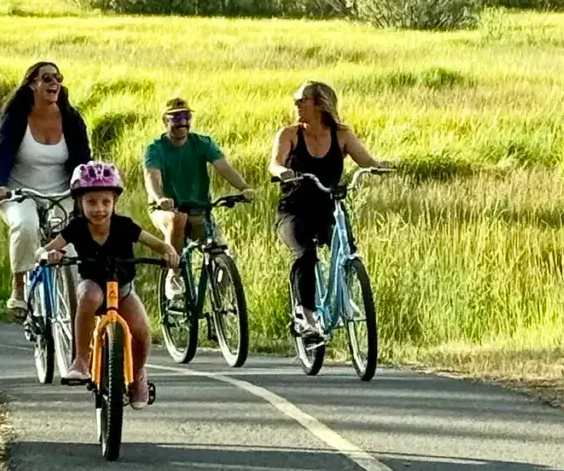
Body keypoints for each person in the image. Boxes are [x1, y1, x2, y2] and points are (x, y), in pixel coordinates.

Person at [38, 161, 179, 410]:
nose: (99, 209)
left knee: (142, 332)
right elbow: (46, 250)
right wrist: (50, 255)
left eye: (105, 202)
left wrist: (169, 254)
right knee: (89, 297)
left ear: (114, 202)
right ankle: (81, 360)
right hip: (92, 284)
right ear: (80, 203)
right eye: (91, 202)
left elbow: (159, 245)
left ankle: (137, 375)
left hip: (122, 291)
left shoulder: (125, 226)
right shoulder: (77, 228)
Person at [268, 81, 391, 339]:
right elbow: (275, 164)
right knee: (305, 254)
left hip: (328, 206)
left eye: (303, 99)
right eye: (296, 99)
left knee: (348, 249)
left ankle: (345, 294)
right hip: (294, 210)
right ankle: (305, 315)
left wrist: (377, 166)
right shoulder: (289, 134)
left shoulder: (342, 135)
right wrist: (284, 173)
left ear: (320, 104)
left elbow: (365, 161)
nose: (297, 104)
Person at [0, 61, 92, 320]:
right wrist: (0, 186)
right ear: (33, 84)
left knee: (72, 249)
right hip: (19, 192)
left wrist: (86, 188)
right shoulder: (17, 117)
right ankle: (18, 287)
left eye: (57, 78)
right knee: (26, 225)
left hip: (61, 193)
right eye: (47, 78)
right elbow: (3, 155)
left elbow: (83, 159)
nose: (54, 83)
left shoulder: (71, 119)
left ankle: (74, 307)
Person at [143, 97, 255, 299]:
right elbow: (152, 177)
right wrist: (160, 198)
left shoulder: (202, 143)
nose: (182, 122)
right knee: (178, 219)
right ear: (165, 121)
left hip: (199, 209)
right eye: (176, 118)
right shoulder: (156, 148)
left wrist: (244, 188)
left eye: (186, 116)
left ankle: (218, 305)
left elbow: (223, 167)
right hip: (166, 210)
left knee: (221, 252)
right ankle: (174, 274)